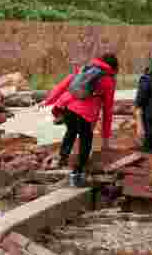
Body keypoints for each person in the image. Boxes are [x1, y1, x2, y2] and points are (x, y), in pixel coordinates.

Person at [42, 53, 119, 188]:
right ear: (114, 67)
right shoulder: (109, 80)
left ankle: (63, 158)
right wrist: (105, 138)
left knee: (71, 131)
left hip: (67, 107)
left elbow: (64, 85)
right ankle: (77, 173)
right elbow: (108, 110)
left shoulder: (86, 68)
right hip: (85, 114)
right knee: (85, 140)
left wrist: (48, 100)